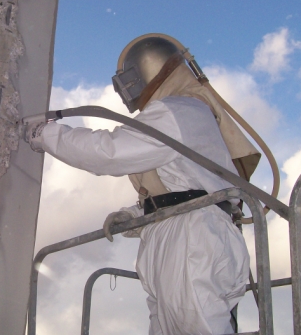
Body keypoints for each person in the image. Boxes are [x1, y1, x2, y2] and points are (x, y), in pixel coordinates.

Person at [25, 34, 258, 334]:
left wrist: (44, 135)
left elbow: (110, 153)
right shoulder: (179, 112)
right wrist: (136, 215)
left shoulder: (180, 110)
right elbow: (178, 187)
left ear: (148, 69)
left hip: (192, 238)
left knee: (195, 326)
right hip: (181, 230)